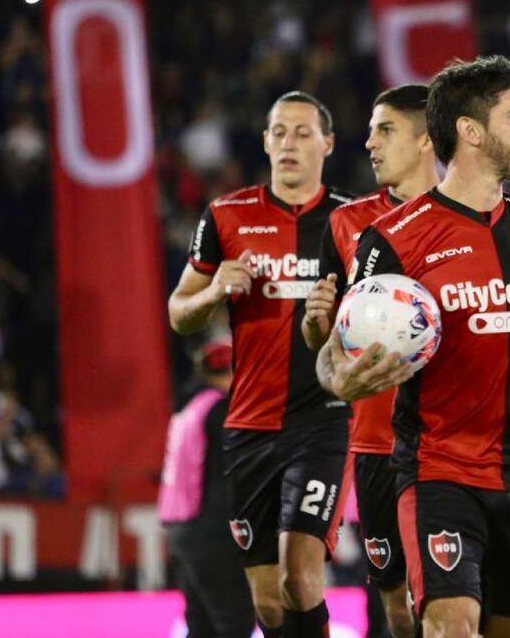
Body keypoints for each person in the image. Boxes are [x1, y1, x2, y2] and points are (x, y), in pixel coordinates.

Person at [324, 56, 510, 638]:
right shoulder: (393, 239)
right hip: (439, 473)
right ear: (471, 130)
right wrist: (341, 378)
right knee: (449, 626)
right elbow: (337, 350)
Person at [168, 91, 354, 638]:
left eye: (302, 132)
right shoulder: (226, 217)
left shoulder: (350, 224)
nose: (289, 143)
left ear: (327, 143)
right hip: (248, 426)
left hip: (321, 421)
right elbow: (180, 312)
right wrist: (214, 293)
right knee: (269, 602)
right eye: (279, 132)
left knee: (301, 577)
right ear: (265, 141)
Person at [303, 84, 440, 638]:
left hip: (452, 447)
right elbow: (324, 344)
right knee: (395, 612)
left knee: (454, 607)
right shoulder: (344, 224)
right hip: (375, 442)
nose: (370, 143)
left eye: (384, 129)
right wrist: (317, 325)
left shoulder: (477, 220)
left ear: (427, 138)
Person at [158, 339, 256, 638]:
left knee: (201, 625)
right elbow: (239, 465)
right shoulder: (219, 408)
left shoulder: (186, 406)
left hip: (180, 529)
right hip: (212, 530)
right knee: (235, 622)